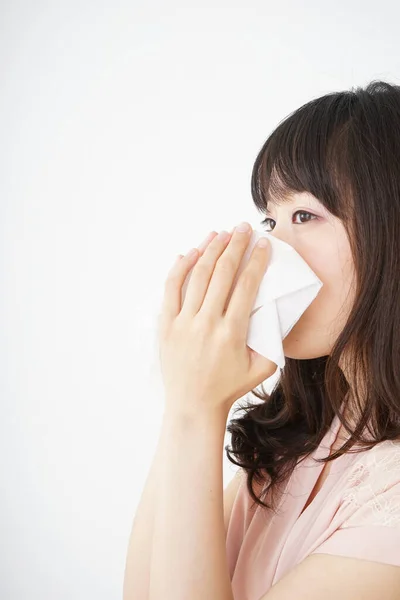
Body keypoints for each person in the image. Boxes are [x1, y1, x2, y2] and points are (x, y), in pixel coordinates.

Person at [225, 79, 400, 598]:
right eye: (269, 220)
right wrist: (190, 409)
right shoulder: (297, 446)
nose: (268, 253)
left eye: (305, 215)